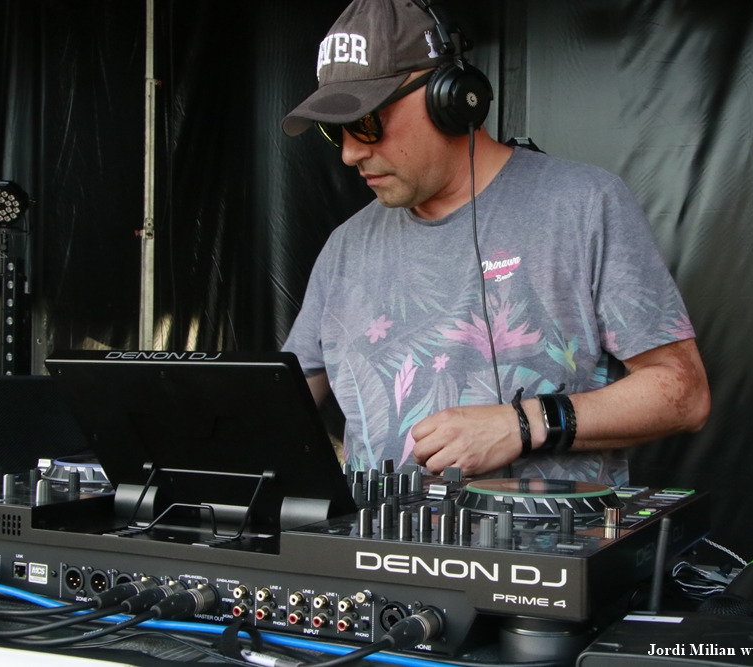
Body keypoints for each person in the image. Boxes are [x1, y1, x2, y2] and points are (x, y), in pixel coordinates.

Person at [281, 0, 710, 485]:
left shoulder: (585, 206)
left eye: (366, 121)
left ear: (450, 98)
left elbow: (684, 393)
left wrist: (522, 424)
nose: (350, 152)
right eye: (335, 130)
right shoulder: (345, 246)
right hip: (372, 536)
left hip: (539, 533)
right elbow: (283, 399)